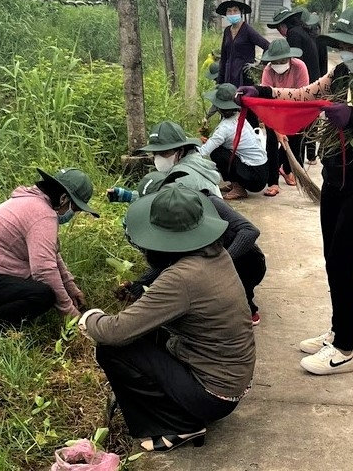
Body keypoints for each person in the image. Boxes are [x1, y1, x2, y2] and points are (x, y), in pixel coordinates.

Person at [237, 4, 353, 376]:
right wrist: (263, 91)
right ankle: (336, 330)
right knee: (333, 260)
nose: (351, 54)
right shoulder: (343, 72)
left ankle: (344, 348)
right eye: (346, 45)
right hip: (335, 181)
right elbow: (305, 95)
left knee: (343, 264)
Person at [78, 184, 255, 453]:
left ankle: (180, 423)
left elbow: (114, 331)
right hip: (232, 382)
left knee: (112, 349)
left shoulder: (182, 278)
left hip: (213, 395)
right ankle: (181, 406)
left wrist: (89, 318)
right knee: (147, 332)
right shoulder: (216, 254)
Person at [0, 167, 99, 355]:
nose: (74, 214)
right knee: (42, 295)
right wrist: (71, 316)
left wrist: (71, 288)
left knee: (42, 288)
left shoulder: (31, 203)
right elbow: (44, 271)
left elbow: (51, 254)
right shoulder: (42, 214)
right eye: (75, 208)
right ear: (63, 199)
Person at [116, 171, 268, 326]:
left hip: (247, 264)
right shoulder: (174, 219)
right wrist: (140, 283)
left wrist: (221, 261)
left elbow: (250, 231)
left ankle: (247, 303)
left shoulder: (207, 202)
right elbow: (173, 260)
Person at [107, 121, 223, 200]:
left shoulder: (182, 175)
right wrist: (129, 196)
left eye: (164, 153)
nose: (158, 158)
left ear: (180, 151)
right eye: (155, 153)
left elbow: (162, 204)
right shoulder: (194, 161)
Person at [259, 37, 310, 196]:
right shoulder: (268, 71)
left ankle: (288, 170)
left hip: (295, 109)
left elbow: (304, 96)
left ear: (289, 58)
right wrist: (276, 128)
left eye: (282, 61)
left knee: (295, 140)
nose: (279, 64)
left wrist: (289, 125)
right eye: (276, 61)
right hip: (273, 110)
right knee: (272, 143)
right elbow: (266, 99)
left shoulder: (300, 67)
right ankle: (273, 182)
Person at [199, 83, 268, 200]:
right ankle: (236, 182)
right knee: (221, 149)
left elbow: (203, 152)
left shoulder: (225, 128)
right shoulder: (240, 118)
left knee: (217, 152)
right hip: (262, 171)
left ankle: (238, 188)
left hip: (254, 177)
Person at [216, 0, 270, 88]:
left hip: (244, 77)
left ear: (241, 12)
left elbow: (267, 46)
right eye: (229, 11)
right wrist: (220, 80)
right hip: (228, 75)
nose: (232, 13)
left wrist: (259, 65)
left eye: (235, 10)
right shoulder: (227, 31)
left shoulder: (248, 30)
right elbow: (224, 56)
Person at [301, 9, 328, 164]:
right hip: (316, 83)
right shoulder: (320, 41)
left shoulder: (304, 39)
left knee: (303, 119)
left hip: (304, 85)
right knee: (313, 119)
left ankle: (305, 153)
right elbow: (323, 65)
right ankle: (311, 155)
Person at [267, 7, 320, 82]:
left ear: (282, 26)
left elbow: (295, 62)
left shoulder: (293, 34)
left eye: (278, 29)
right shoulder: (301, 30)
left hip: (306, 80)